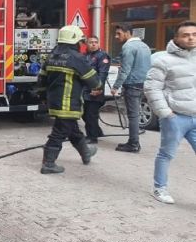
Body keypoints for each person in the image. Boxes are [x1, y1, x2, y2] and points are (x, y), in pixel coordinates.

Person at [144, 21, 196, 204]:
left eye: (194, 34)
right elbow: (151, 88)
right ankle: (160, 188)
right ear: (176, 38)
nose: (191, 38)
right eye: (186, 35)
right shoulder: (163, 60)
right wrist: (165, 112)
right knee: (167, 154)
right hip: (176, 117)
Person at [38, 25, 101, 174]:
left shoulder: (51, 56)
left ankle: (86, 153)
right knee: (60, 132)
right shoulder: (76, 58)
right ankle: (48, 163)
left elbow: (41, 80)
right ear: (74, 41)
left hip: (53, 102)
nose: (81, 45)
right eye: (80, 41)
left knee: (72, 129)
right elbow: (95, 83)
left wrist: (43, 97)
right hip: (68, 103)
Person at [110, 22, 152, 153]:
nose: (116, 36)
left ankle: (133, 144)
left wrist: (115, 86)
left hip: (132, 85)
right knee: (135, 114)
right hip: (142, 84)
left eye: (119, 33)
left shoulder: (128, 47)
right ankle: (133, 142)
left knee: (133, 116)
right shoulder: (144, 46)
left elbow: (125, 70)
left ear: (128, 32)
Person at [82, 36, 111, 144]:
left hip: (96, 90)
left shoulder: (102, 55)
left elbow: (103, 74)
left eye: (95, 42)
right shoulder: (85, 56)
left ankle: (92, 137)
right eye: (91, 42)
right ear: (86, 44)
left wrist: (98, 88)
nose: (93, 44)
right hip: (85, 90)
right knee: (84, 114)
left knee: (91, 114)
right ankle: (97, 131)